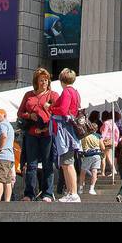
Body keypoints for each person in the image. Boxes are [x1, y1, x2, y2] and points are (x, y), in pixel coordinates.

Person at [17, 68, 55, 202]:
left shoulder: (52, 94)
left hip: (46, 133)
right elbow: (20, 112)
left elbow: (58, 111)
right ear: (36, 81)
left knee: (47, 163)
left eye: (46, 80)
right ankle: (29, 193)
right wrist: (29, 115)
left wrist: (47, 108)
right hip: (31, 132)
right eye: (41, 80)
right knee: (31, 164)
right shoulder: (29, 95)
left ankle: (47, 193)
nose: (44, 82)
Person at [47, 69, 81, 203]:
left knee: (67, 163)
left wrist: (50, 108)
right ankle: (70, 192)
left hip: (65, 130)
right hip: (69, 130)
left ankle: (73, 193)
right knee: (66, 163)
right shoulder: (75, 92)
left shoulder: (67, 91)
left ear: (61, 80)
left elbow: (62, 110)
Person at [0, 109, 16, 203]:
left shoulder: (3, 125)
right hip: (9, 157)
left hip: (2, 156)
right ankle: (7, 201)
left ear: (4, 115)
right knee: (8, 181)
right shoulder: (9, 125)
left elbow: (4, 136)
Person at [79, 117, 103, 196]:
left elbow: (81, 145)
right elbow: (102, 147)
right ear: (96, 129)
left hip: (87, 155)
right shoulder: (98, 136)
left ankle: (81, 188)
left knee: (83, 171)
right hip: (97, 155)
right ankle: (92, 188)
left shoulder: (84, 136)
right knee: (94, 171)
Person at [100, 108, 120, 179]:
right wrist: (116, 141)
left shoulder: (106, 123)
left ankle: (112, 170)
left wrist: (101, 140)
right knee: (109, 156)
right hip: (113, 141)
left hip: (106, 141)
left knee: (106, 156)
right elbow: (117, 132)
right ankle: (107, 171)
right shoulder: (113, 123)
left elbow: (104, 133)